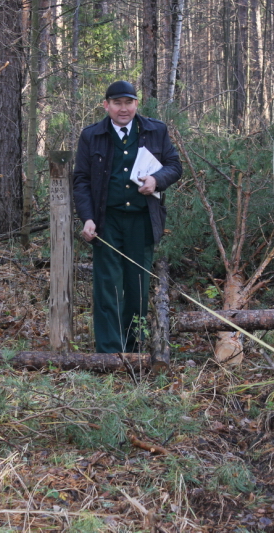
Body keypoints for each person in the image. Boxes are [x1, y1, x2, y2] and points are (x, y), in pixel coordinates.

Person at [73, 80, 182, 353]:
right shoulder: (92, 135)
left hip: (141, 221)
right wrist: (87, 218)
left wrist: (156, 180)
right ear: (106, 105)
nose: (124, 109)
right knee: (107, 287)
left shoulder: (156, 130)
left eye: (128, 102)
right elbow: (82, 181)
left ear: (136, 104)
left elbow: (174, 166)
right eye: (117, 103)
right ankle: (109, 351)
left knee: (137, 287)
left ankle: (133, 347)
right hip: (105, 221)